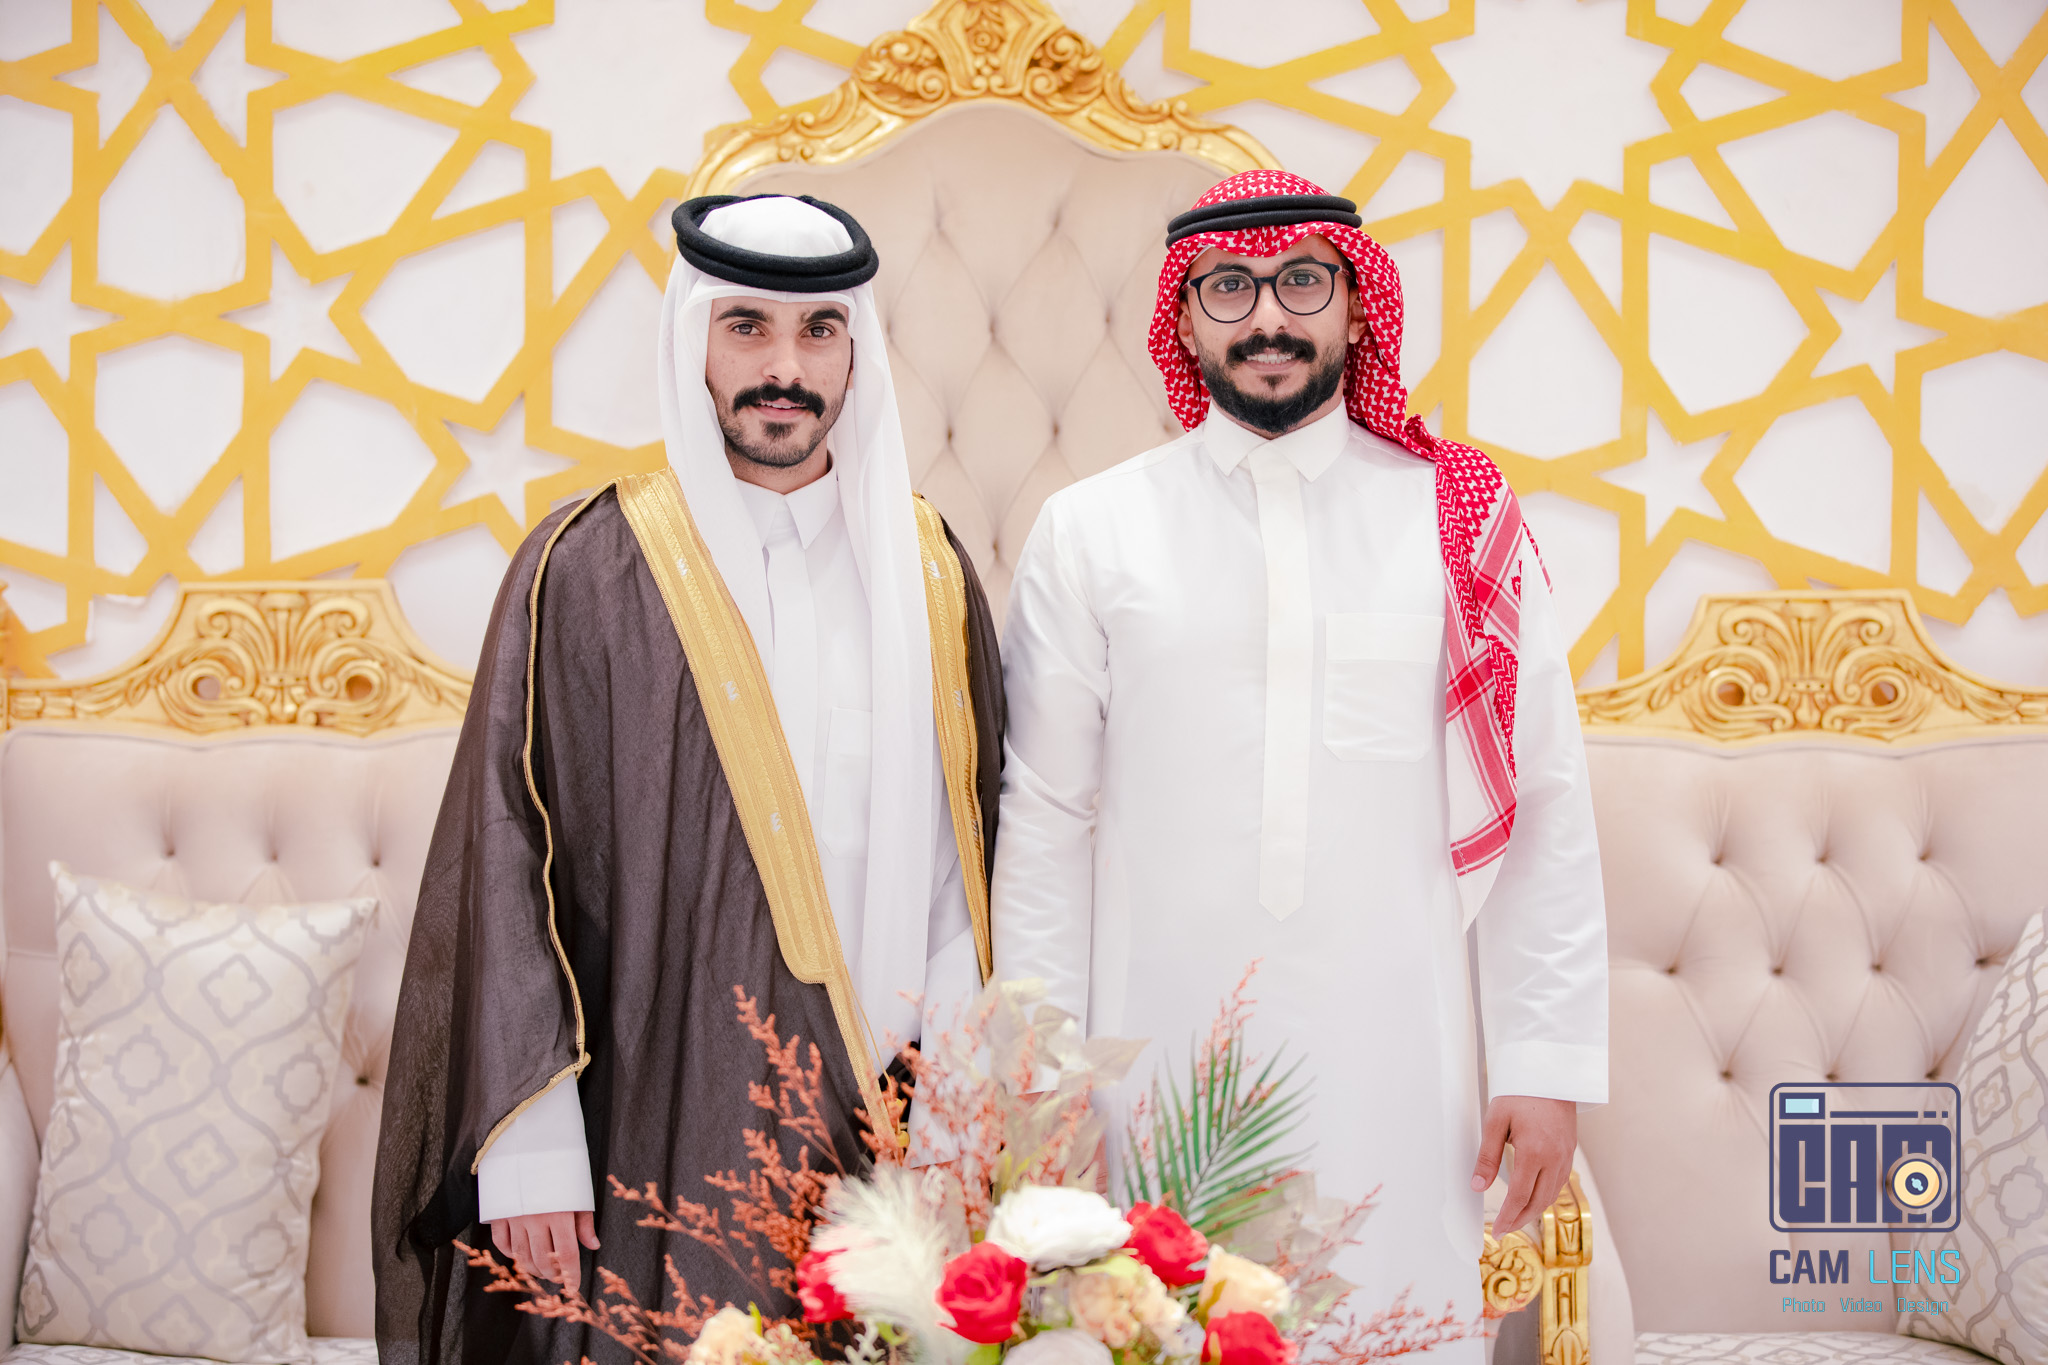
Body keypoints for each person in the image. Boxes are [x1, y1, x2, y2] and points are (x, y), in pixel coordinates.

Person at [372, 193, 1002, 1365]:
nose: (784, 368)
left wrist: (956, 1110)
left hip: (884, 1129)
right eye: (746, 326)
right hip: (643, 1117)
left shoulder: (927, 570)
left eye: (818, 330)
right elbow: (504, 858)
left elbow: (965, 869)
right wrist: (531, 1150)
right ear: (692, 342)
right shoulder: (586, 567)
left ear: (855, 350)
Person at [991, 170, 1607, 1351]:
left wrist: (1543, 1063)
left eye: (1300, 283)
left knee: (1391, 1325)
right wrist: (1042, 1074)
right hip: (1151, 1053)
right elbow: (1046, 816)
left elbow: (1541, 801)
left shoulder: (1453, 519)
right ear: (1182, 321)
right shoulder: (1092, 529)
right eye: (1228, 288)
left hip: (1400, 1058)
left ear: (1356, 305)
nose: (1266, 317)